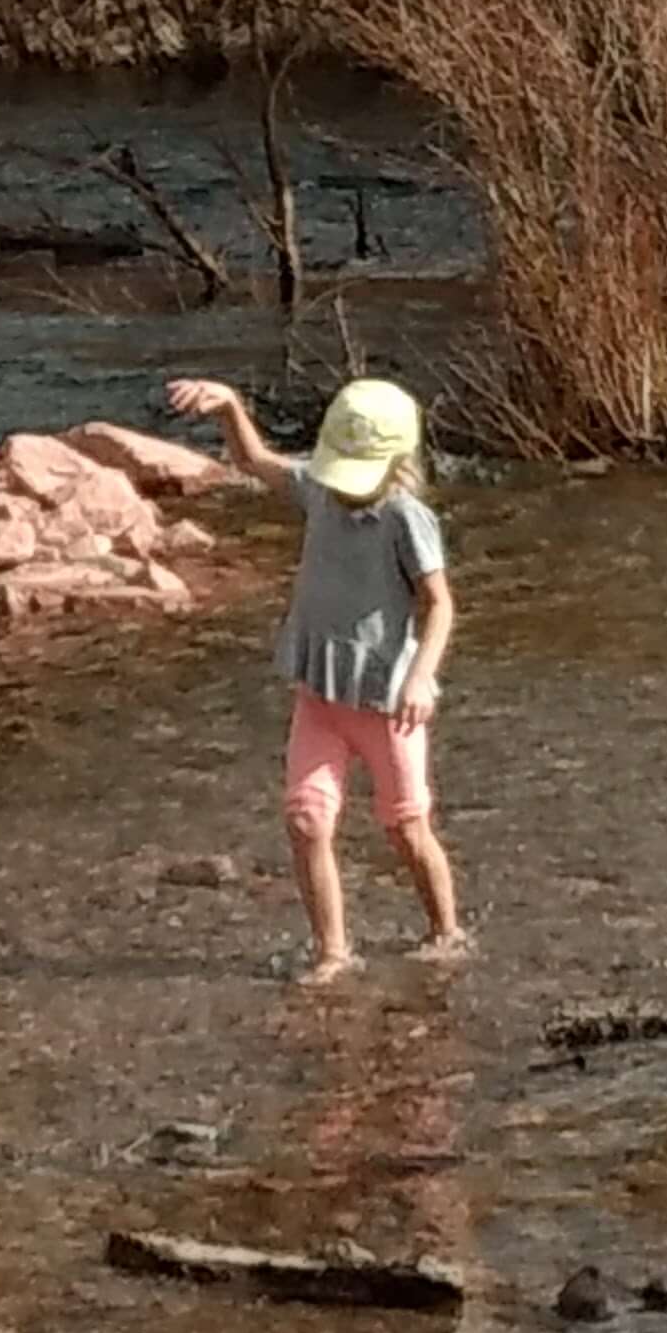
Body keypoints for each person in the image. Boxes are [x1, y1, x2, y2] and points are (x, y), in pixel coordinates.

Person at [165, 371, 465, 982]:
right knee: (305, 820)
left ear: (396, 463)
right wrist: (227, 404)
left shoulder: (406, 518)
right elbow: (254, 460)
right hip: (320, 693)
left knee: (406, 827)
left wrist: (420, 678)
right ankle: (333, 952)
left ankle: (446, 935)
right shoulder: (320, 490)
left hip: (387, 701)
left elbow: (440, 604)